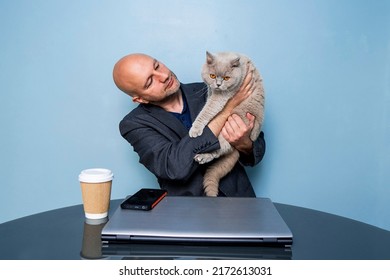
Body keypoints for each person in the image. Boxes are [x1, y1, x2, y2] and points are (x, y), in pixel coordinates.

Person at [113, 53, 265, 197]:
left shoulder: (211, 88)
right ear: (140, 99)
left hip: (242, 203)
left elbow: (257, 146)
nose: (164, 76)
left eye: (157, 65)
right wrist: (227, 110)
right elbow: (174, 167)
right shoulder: (134, 124)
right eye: (150, 81)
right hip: (188, 214)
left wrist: (244, 143)